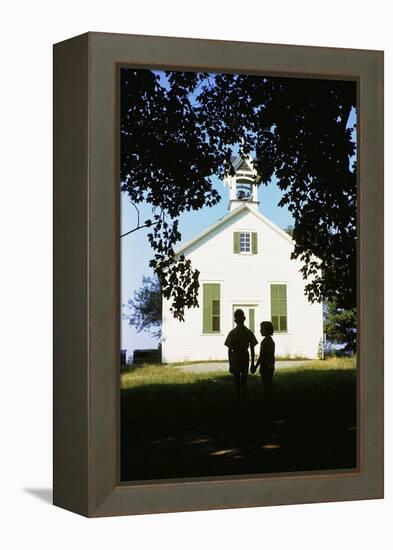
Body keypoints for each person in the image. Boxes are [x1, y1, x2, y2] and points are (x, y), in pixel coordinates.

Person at [224, 309, 258, 406]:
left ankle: (240, 399)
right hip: (242, 356)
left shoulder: (233, 333)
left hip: (239, 356)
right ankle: (241, 399)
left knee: (239, 380)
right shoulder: (247, 332)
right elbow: (252, 348)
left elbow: (229, 350)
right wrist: (252, 363)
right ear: (244, 318)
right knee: (242, 379)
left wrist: (230, 363)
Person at [250, 321, 275, 413]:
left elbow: (262, 356)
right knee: (269, 385)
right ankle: (270, 403)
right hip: (271, 366)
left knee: (266, 386)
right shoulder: (271, 341)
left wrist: (255, 366)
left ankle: (268, 404)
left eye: (261, 329)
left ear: (266, 330)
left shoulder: (264, 342)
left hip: (265, 367)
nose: (260, 330)